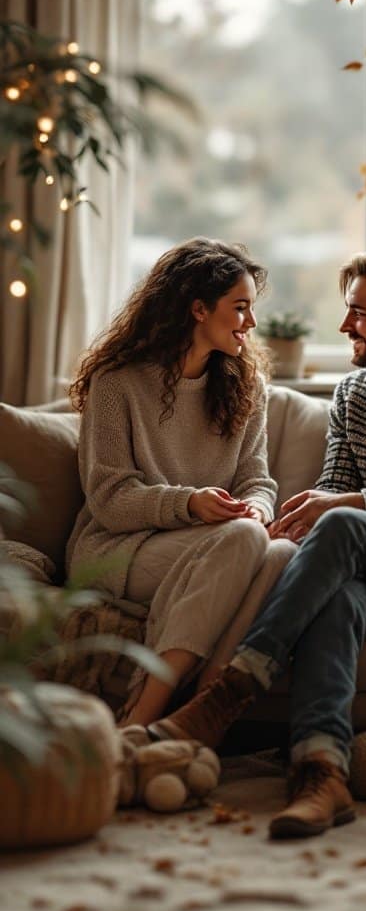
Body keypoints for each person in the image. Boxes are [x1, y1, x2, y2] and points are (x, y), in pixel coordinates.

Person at [122, 243, 366, 840]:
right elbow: (332, 493)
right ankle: (321, 773)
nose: (344, 326)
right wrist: (277, 527)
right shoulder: (354, 394)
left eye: (358, 314)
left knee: (341, 524)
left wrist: (346, 507)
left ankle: (229, 692)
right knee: (333, 596)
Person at [66, 237, 296, 727]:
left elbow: (258, 479)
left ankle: (196, 714)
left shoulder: (246, 387)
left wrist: (257, 507)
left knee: (282, 553)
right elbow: (108, 499)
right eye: (240, 308)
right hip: (119, 547)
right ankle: (140, 718)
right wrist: (189, 505)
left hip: (217, 543)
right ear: (197, 309)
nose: (251, 323)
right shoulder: (118, 382)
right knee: (244, 541)